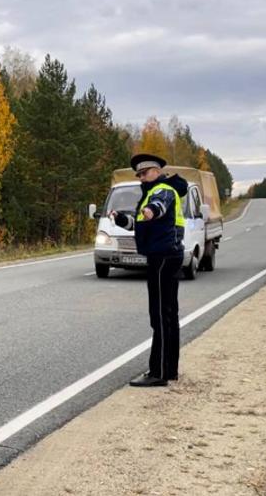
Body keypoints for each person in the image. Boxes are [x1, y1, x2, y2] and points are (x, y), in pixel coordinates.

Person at [109, 154, 188, 387]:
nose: (142, 178)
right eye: (139, 175)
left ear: (156, 171)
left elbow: (158, 207)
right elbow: (141, 223)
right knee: (168, 314)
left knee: (161, 315)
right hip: (165, 255)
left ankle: (159, 373)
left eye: (144, 173)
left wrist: (152, 210)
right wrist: (122, 220)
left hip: (163, 257)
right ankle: (169, 369)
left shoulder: (162, 189)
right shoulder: (152, 192)